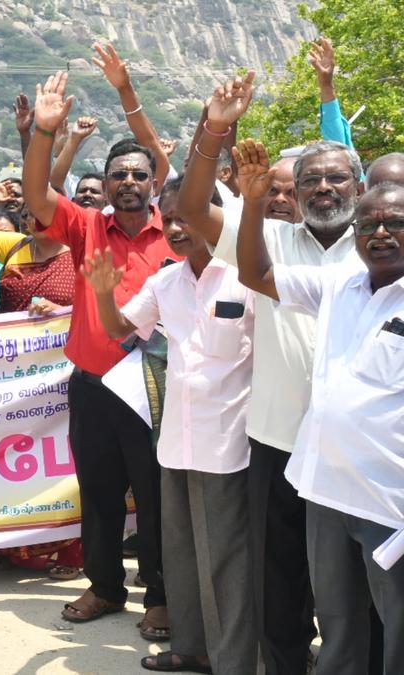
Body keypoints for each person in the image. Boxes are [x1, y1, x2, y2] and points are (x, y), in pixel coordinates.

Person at [176, 73, 366, 675]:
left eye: (337, 177)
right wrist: (214, 130)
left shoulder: (383, 245)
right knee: (278, 589)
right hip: (280, 442)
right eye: (312, 179)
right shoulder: (271, 240)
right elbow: (191, 209)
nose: (324, 187)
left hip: (359, 455)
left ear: (360, 186)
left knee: (356, 594)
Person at [231, 141, 404, 675]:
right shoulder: (339, 286)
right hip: (326, 490)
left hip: (390, 505)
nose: (379, 233)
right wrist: (254, 205)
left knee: (397, 629)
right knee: (339, 625)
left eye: (395, 223)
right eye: (368, 225)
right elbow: (255, 273)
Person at [14, 71, 173, 640]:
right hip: (93, 384)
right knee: (100, 490)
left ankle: (161, 595)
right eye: (117, 175)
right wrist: (44, 133)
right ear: (104, 184)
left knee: (156, 496)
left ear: (154, 181)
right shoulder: (85, 227)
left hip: (158, 389)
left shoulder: (177, 234)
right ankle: (104, 586)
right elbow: (36, 195)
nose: (128, 182)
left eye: (138, 174)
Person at [84, 176, 257, 674]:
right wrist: (102, 294)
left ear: (216, 217)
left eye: (189, 215)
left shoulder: (248, 277)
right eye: (171, 216)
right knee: (179, 554)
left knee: (225, 560)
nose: (177, 227)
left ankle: (234, 661)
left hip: (230, 443)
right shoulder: (165, 280)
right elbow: (120, 329)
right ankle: (191, 648)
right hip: (175, 442)